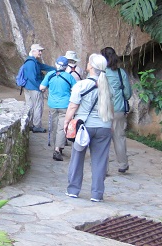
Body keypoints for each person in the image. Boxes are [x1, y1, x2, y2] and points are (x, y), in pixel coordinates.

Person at [64, 53, 115, 202]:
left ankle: (73, 189)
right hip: (104, 126)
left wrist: (66, 123)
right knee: (100, 161)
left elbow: (73, 106)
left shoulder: (81, 85)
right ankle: (97, 194)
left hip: (84, 127)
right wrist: (111, 125)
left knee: (77, 158)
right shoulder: (108, 86)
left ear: (91, 66)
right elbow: (111, 109)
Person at [101, 46, 132, 174]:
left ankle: (103, 168)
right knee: (119, 137)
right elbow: (127, 93)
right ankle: (123, 164)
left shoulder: (101, 73)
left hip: (103, 110)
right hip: (118, 109)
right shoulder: (121, 73)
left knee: (103, 139)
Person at [40, 56, 77, 161]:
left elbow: (41, 87)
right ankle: (57, 149)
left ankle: (57, 147)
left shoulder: (50, 75)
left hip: (52, 105)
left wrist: (48, 89)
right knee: (61, 127)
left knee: (55, 126)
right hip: (65, 105)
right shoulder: (69, 77)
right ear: (66, 67)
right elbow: (75, 90)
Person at [21, 44, 56, 132]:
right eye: (39, 51)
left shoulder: (32, 61)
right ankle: (37, 126)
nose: (40, 53)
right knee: (38, 106)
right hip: (34, 88)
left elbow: (44, 67)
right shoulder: (31, 63)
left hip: (27, 87)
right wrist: (40, 87)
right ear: (33, 51)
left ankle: (29, 124)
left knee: (30, 106)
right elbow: (33, 78)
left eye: (41, 51)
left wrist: (57, 69)